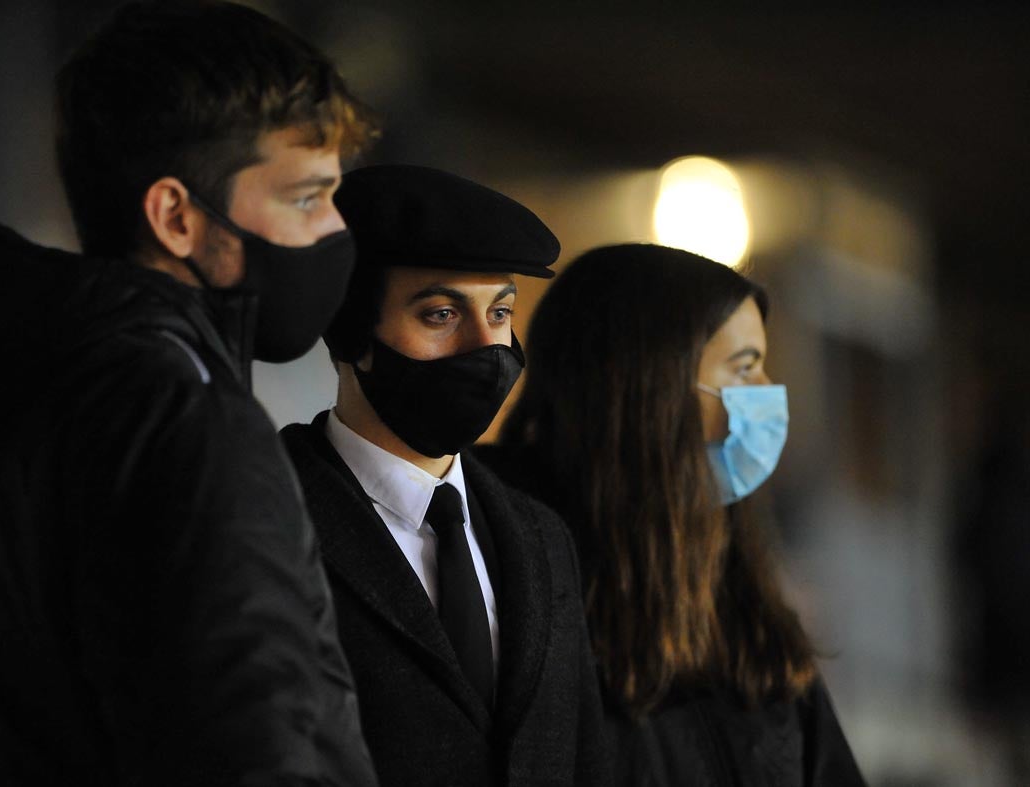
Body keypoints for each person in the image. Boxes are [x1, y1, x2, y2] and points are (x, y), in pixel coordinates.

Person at [0, 3, 379, 784]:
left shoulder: (21, 399)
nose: (335, 229)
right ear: (176, 216)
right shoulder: (183, 417)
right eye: (306, 198)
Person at [484, 244, 866, 785]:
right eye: (743, 368)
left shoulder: (741, 592)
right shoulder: (509, 565)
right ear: (650, 384)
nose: (765, 395)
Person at [279, 164, 610, 787]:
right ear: (354, 333)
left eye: (502, 312)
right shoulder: (267, 521)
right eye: (440, 314)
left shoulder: (542, 537)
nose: (488, 348)